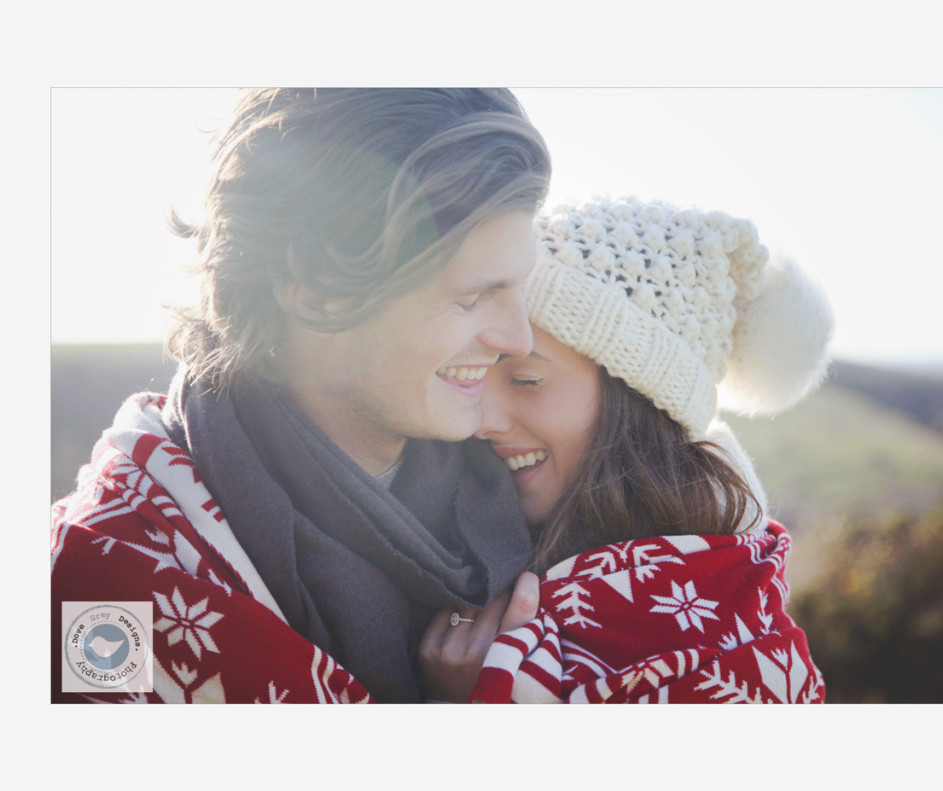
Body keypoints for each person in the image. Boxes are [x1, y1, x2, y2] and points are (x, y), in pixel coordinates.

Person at [50, 88, 551, 703]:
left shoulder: (551, 501)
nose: (517, 338)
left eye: (519, 287)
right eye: (472, 297)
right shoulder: (101, 584)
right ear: (316, 293)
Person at [419, 196, 833, 703]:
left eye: (526, 379)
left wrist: (480, 701)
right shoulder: (469, 518)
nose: (482, 419)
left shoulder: (731, 633)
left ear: (637, 403)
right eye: (479, 371)